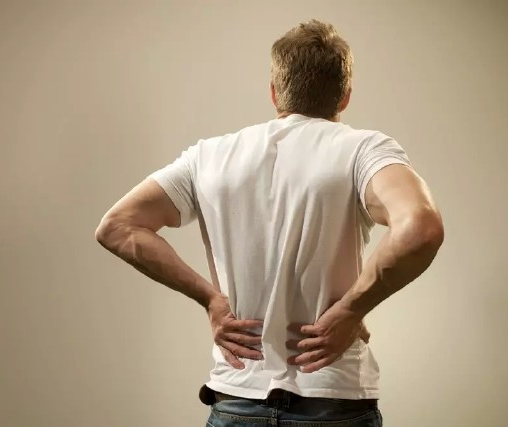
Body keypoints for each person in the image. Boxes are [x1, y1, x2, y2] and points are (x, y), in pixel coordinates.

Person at [95, 19, 444, 427]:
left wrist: (210, 299)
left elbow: (117, 226)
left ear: (275, 91)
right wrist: (352, 309)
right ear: (345, 96)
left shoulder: (209, 156)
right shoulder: (364, 150)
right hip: (332, 398)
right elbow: (420, 226)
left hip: (237, 399)